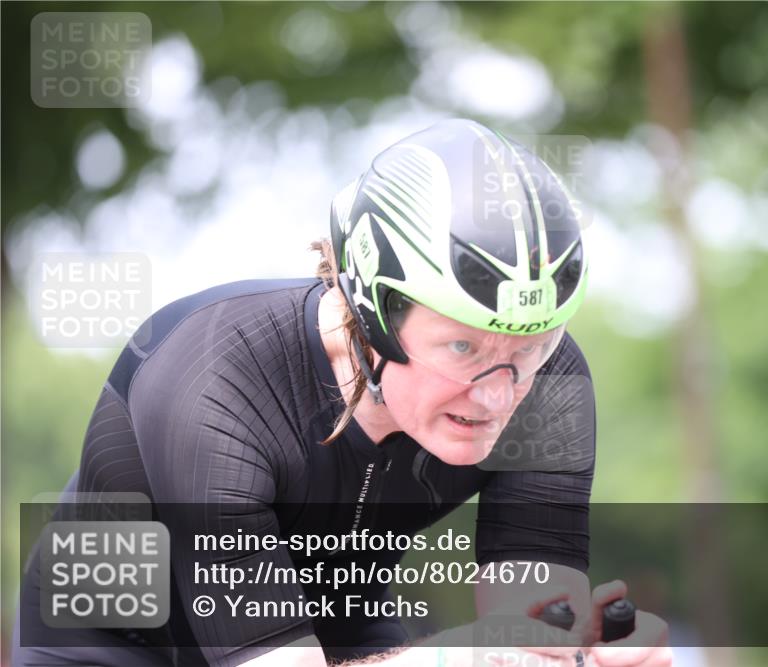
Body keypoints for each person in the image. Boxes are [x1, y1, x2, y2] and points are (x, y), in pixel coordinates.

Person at [13, 119, 671, 667]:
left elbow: (529, 622)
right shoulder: (212, 381)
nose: (499, 396)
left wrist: (577, 650)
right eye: (463, 348)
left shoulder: (549, 381)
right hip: (111, 645)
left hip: (341, 625)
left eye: (528, 349)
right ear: (372, 313)